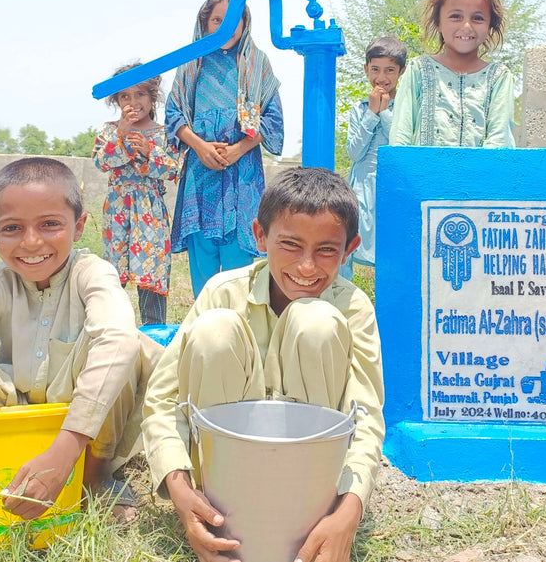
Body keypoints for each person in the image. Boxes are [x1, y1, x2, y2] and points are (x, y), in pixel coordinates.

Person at [142, 167, 383, 562]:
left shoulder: (352, 307)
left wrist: (349, 512)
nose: (307, 267)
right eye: (290, 244)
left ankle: (310, 510)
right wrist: (179, 488)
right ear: (259, 235)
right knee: (214, 330)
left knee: (316, 321)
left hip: (310, 482)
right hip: (224, 481)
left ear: (350, 248)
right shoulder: (223, 292)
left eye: (326, 250)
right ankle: (221, 507)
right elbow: (164, 399)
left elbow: (367, 415)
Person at [0, 157, 162, 525]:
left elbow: (117, 339)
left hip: (84, 422)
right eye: (12, 228)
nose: (32, 242)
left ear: (79, 226)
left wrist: (66, 450)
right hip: (18, 405)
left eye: (50, 224)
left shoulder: (93, 273)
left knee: (128, 346)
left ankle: (97, 473)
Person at [166, 0, 284, 297]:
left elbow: (272, 119)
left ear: (245, 24)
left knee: (239, 275)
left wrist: (237, 149)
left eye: (233, 21)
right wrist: (201, 147)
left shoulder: (257, 63)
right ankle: (204, 338)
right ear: (204, 24)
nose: (225, 28)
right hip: (199, 175)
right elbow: (173, 113)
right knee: (203, 272)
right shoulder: (192, 64)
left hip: (241, 177)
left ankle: (240, 337)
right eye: (217, 20)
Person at [94, 62, 179, 326]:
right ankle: (114, 330)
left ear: (153, 96)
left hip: (150, 213)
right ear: (116, 100)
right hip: (118, 211)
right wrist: (120, 134)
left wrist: (148, 151)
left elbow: (174, 169)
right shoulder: (109, 130)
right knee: (113, 273)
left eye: (140, 94)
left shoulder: (164, 134)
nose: (133, 101)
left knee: (151, 272)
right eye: (125, 96)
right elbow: (101, 162)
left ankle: (153, 332)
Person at [390, 0, 515, 147]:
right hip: (423, 174)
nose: (466, 26)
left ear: (489, 25)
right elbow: (400, 135)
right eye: (456, 16)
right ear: (438, 22)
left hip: (480, 173)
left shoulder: (498, 77)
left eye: (478, 18)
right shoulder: (419, 69)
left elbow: (499, 138)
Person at [340, 36, 408, 282]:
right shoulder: (359, 109)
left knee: (391, 252)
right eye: (376, 69)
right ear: (366, 69)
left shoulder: (405, 109)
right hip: (360, 188)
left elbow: (402, 146)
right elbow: (354, 152)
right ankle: (344, 305)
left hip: (391, 187)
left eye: (390, 70)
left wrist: (385, 113)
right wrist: (371, 113)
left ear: (401, 71)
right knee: (345, 248)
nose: (382, 77)